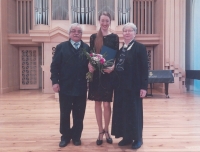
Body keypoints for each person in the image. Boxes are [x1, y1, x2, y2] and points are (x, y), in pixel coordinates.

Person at [50, 23, 90, 147]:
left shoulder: (87, 48)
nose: (76, 33)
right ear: (69, 33)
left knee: (79, 113)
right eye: (73, 31)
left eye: (79, 31)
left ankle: (76, 136)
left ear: (82, 34)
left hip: (81, 87)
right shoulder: (61, 47)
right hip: (65, 87)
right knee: (65, 113)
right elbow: (54, 66)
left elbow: (90, 67)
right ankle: (65, 136)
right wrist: (55, 81)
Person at [111, 22, 148, 149]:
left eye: (130, 30)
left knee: (134, 112)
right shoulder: (120, 50)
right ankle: (126, 137)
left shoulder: (140, 48)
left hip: (134, 87)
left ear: (134, 33)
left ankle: (138, 138)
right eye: (125, 31)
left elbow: (144, 69)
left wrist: (143, 87)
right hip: (121, 87)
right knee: (123, 112)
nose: (127, 33)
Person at [88, 11, 119, 145]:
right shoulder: (93, 36)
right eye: (103, 20)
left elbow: (116, 56)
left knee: (107, 104)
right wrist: (90, 64)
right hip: (96, 75)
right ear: (99, 21)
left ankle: (107, 130)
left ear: (110, 22)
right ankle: (100, 131)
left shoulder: (115, 37)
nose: (105, 23)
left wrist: (113, 68)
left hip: (108, 75)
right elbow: (91, 54)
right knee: (97, 103)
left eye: (107, 21)